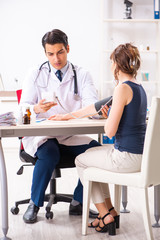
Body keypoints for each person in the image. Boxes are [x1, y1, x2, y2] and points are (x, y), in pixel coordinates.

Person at [50, 43, 147, 235]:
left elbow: (109, 132)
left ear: (117, 65)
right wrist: (68, 116)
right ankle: (111, 210)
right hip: (141, 157)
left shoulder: (122, 89)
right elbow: (95, 107)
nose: (111, 66)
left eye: (112, 62)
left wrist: (109, 117)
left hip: (125, 158)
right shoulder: (139, 87)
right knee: (92, 156)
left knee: (81, 161)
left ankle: (104, 214)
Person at [20, 29, 101, 224]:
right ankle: (35, 203)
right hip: (43, 136)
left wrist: (72, 115)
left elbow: (92, 105)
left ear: (68, 49)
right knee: (50, 153)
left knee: (96, 152)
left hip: (69, 135)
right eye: (50, 53)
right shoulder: (35, 73)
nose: (56, 58)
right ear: (45, 53)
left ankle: (78, 202)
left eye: (60, 52)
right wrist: (36, 108)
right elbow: (23, 107)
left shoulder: (81, 74)